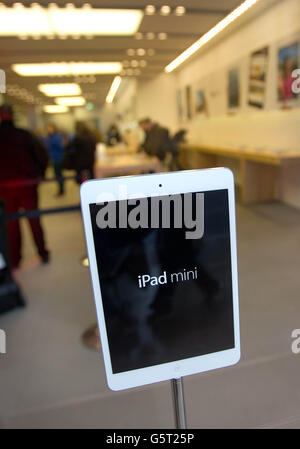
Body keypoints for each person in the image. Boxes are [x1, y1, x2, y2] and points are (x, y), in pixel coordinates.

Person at [0, 104, 50, 269]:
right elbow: (42, 154)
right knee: (34, 221)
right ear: (13, 114)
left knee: (11, 226)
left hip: (5, 189)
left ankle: (15, 260)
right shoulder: (24, 135)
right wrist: (39, 174)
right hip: (26, 185)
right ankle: (42, 253)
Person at [45, 124, 65, 196]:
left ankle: (61, 190)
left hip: (58, 159)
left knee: (59, 175)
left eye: (50, 128)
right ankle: (60, 189)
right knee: (57, 175)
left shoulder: (55, 137)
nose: (48, 130)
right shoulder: (50, 138)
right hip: (54, 159)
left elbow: (60, 146)